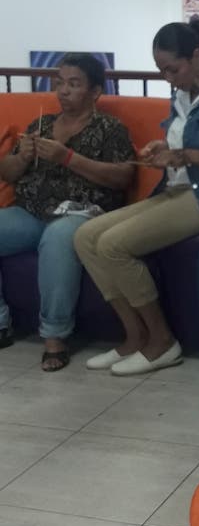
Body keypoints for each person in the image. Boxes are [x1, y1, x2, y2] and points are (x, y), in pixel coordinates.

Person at [74, 16, 199, 376]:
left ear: (196, 56)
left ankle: (161, 341)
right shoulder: (182, 92)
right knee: (85, 237)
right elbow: (180, 141)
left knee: (112, 244)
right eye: (162, 71)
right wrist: (163, 148)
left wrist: (189, 156)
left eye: (173, 69)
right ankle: (135, 336)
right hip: (176, 189)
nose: (169, 78)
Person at [0, 54, 134, 371]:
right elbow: (7, 172)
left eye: (73, 84)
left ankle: (55, 337)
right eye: (59, 83)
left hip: (83, 212)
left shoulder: (109, 128)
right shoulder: (41, 124)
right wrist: (22, 157)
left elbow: (123, 177)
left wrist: (68, 158)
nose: (63, 91)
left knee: (58, 238)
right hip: (32, 211)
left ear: (95, 91)